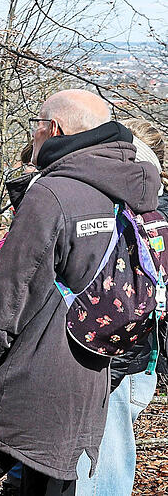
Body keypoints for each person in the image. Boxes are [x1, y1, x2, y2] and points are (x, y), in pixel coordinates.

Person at [0, 89, 161, 496]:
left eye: (36, 125)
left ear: (54, 129)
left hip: (30, 379)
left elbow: (6, 298)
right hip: (90, 378)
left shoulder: (53, 194)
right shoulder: (127, 189)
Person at [73, 118, 168, 495]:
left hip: (114, 356)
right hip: (139, 358)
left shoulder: (133, 212)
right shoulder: (153, 209)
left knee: (101, 467)